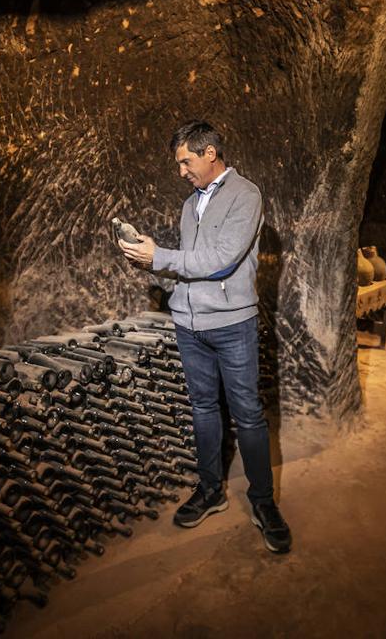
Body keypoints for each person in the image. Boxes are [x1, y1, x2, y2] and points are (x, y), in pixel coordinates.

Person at [118, 120, 292, 553]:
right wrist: (154, 264)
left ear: (209, 153)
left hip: (232, 325)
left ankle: (263, 501)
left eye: (185, 161)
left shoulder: (245, 195)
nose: (181, 171)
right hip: (190, 326)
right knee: (203, 410)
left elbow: (220, 260)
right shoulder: (188, 205)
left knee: (248, 414)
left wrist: (164, 255)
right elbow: (189, 267)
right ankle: (211, 490)